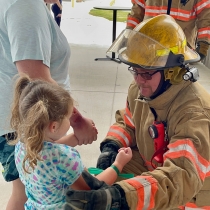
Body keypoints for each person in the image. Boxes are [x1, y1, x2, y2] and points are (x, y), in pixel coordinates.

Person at [65, 14, 210, 209]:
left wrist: (122, 197)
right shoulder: (142, 89)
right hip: (154, 168)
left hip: (189, 194)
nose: (138, 80)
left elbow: (180, 177)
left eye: (147, 72)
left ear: (171, 71)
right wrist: (112, 147)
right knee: (104, 184)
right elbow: (128, 123)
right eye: (134, 70)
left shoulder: (193, 112)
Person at [0, 0, 97, 209]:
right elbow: (36, 77)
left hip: (25, 121)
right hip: (23, 123)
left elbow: (50, 153)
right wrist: (76, 119)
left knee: (25, 195)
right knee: (22, 196)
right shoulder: (25, 5)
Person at [11, 75, 132, 209]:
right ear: (54, 127)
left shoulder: (22, 145)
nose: (70, 122)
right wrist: (118, 164)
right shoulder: (65, 158)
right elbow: (91, 191)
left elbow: (50, 152)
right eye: (68, 118)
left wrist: (76, 138)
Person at [126, 0, 210, 61]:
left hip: (179, 52)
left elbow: (206, 18)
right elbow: (136, 13)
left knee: (177, 81)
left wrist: (203, 44)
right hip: (148, 48)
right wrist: (129, 35)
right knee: (143, 79)